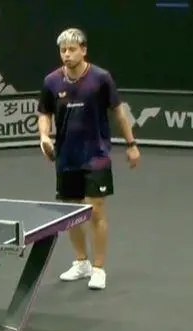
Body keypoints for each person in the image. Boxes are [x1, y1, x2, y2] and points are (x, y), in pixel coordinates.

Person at [37, 28, 141, 290]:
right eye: (63, 50)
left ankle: (98, 268)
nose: (67, 54)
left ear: (83, 50)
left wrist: (131, 144)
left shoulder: (101, 78)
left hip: (96, 156)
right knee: (72, 213)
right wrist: (44, 136)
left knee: (95, 211)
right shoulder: (51, 81)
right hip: (66, 157)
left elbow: (119, 112)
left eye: (72, 49)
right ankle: (81, 262)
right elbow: (44, 113)